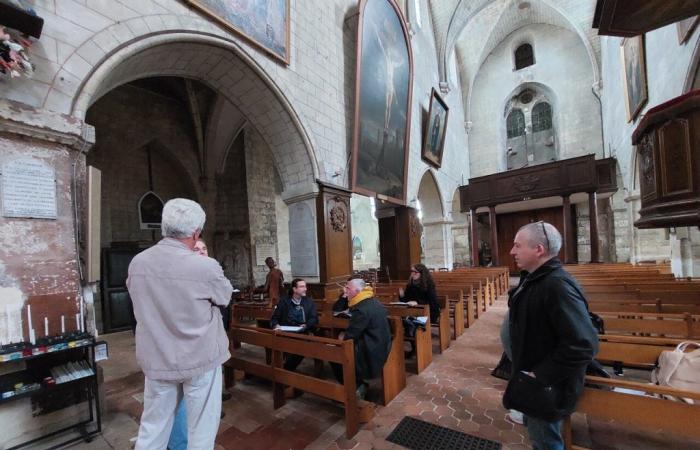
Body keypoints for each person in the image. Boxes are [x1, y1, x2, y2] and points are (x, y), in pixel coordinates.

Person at [127, 198, 233, 450]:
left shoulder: (138, 263)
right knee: (201, 432)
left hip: (157, 357)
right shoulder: (205, 266)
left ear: (164, 227)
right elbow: (225, 296)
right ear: (196, 233)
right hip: (200, 358)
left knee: (153, 428)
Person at [505, 221, 598, 450]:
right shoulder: (535, 278)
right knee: (539, 437)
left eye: (518, 246)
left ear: (539, 249)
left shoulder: (557, 285)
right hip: (532, 378)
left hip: (546, 386)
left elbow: (584, 344)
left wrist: (540, 375)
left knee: (546, 443)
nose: (512, 251)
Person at [332, 279, 391, 399]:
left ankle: (357, 386)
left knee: (335, 355)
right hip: (380, 342)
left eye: (348, 289)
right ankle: (357, 384)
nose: (345, 291)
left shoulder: (361, 309)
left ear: (357, 291)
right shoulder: (370, 301)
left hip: (372, 349)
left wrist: (343, 336)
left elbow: (351, 335)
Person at [270, 278, 318, 371]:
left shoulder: (309, 302)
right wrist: (276, 325)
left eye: (305, 286)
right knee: (276, 342)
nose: (305, 289)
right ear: (294, 289)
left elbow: (314, 318)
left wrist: (306, 325)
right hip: (286, 332)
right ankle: (278, 370)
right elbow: (274, 318)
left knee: (301, 347)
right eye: (302, 286)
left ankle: (287, 370)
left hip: (303, 332)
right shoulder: (284, 302)